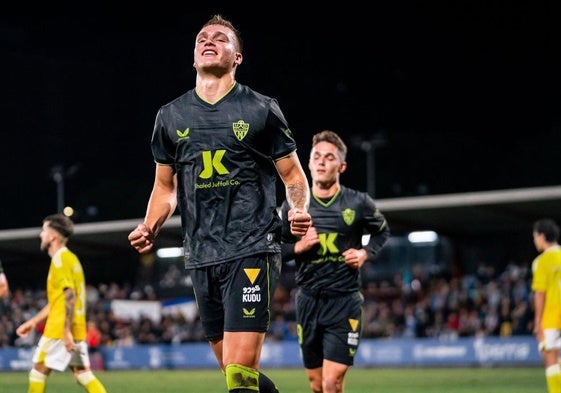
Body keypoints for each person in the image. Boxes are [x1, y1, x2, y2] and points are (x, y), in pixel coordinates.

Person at [127, 14, 312, 393]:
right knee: (234, 370)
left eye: (221, 38)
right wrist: (149, 225)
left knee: (240, 376)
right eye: (202, 38)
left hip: (251, 248)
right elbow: (165, 187)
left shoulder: (261, 108)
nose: (209, 41)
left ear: (237, 57)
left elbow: (293, 175)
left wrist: (297, 209)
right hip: (200, 253)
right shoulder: (170, 116)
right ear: (194, 57)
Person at [280, 130, 390, 393]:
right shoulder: (294, 207)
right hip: (308, 301)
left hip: (345, 301)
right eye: (316, 156)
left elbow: (382, 232)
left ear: (341, 166)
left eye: (329, 158)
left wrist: (364, 253)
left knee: (332, 382)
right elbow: (275, 248)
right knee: (317, 384)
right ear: (307, 164)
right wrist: (299, 246)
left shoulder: (358, 202)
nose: (321, 162)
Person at [16, 214, 107, 393]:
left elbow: (69, 295)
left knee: (37, 372)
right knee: (83, 374)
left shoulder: (60, 259)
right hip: (77, 326)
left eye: (43, 231)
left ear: (52, 236)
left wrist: (65, 331)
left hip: (60, 329)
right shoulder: (71, 259)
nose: (41, 235)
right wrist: (33, 322)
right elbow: (58, 301)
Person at [531, 218, 561, 393]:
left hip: (551, 316)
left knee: (550, 360)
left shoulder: (541, 262)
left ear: (542, 236)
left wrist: (537, 322)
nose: (535, 240)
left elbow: (540, 294)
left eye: (535, 236)